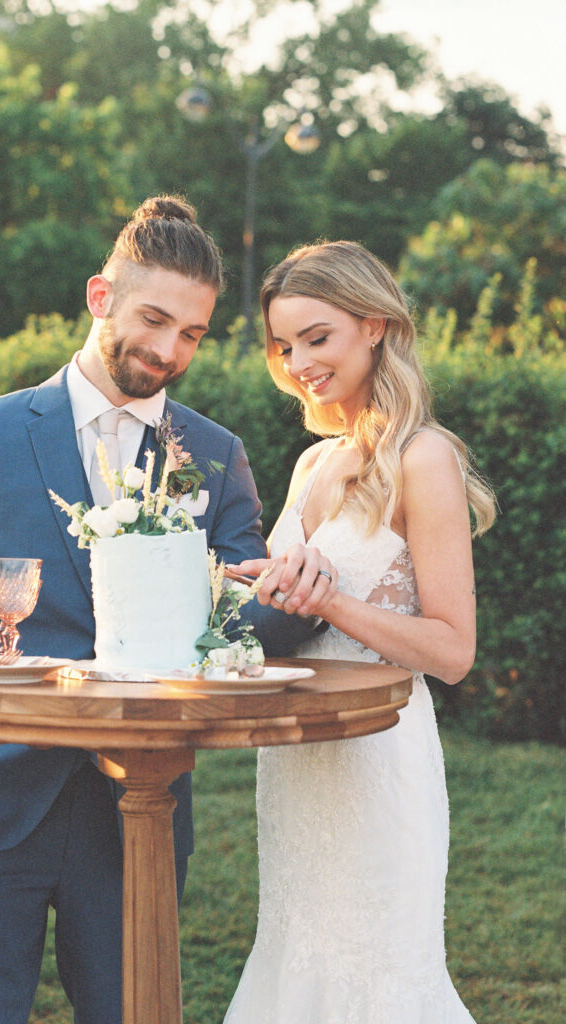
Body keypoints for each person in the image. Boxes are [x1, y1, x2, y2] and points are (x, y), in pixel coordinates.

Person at [0, 196, 330, 1024]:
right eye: (154, 319)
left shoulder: (217, 456)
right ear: (101, 297)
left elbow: (239, 628)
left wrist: (300, 593)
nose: (168, 351)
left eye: (192, 334)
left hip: (141, 809)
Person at [224, 240, 496, 1023]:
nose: (298, 360)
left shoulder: (425, 457)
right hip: (297, 769)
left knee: (377, 980)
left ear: (374, 326)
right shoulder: (311, 466)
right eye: (284, 343)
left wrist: (330, 601)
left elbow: (453, 650)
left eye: (318, 336)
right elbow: (281, 612)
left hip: (380, 761)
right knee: (293, 956)